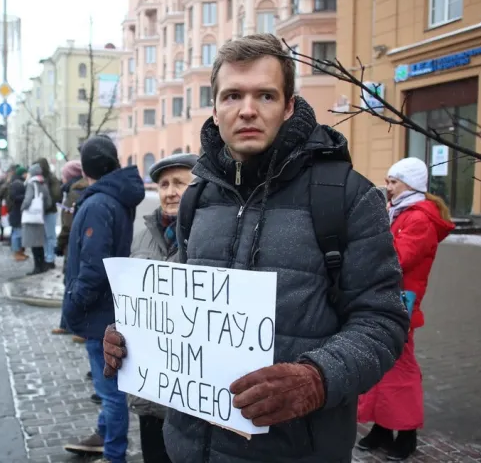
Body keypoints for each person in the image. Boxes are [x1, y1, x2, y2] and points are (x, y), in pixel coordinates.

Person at [101, 33, 409, 462]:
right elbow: (182, 309)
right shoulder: (198, 197)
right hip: (190, 449)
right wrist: (133, 336)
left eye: (265, 94)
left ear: (288, 105)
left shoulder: (347, 196)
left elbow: (383, 321)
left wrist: (316, 379)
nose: (247, 109)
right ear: (215, 107)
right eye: (232, 95)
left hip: (295, 451)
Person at [356, 157, 455, 460]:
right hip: (388, 296)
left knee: (401, 367)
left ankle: (407, 433)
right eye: (387, 180)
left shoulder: (419, 218)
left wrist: (369, 243)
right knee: (382, 362)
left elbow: (397, 258)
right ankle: (384, 428)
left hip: (402, 301)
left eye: (393, 182)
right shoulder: (398, 212)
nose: (387, 187)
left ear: (410, 185)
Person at [61, 135, 145, 463]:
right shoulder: (111, 197)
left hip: (99, 313)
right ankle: (102, 437)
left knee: (110, 394)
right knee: (108, 387)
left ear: (87, 167)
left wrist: (73, 304)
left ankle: (114, 455)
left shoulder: (98, 203)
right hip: (110, 306)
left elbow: (93, 268)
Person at [128, 152, 197, 463]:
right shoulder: (143, 237)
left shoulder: (215, 237)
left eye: (180, 183)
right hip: (152, 391)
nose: (169, 191)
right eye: (164, 184)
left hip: (196, 396)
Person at [52, 160, 89, 337]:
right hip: (78, 243)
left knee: (72, 283)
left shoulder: (74, 192)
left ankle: (74, 325)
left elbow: (68, 224)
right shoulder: (77, 189)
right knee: (73, 283)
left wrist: (60, 244)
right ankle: (68, 324)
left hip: (72, 244)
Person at [21, 163, 52, 275]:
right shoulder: (43, 183)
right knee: (39, 243)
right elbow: (48, 202)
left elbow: (28, 199)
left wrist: (23, 207)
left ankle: (37, 268)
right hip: (39, 217)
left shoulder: (31, 184)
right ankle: (42, 265)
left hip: (31, 217)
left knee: (33, 244)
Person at [35, 157, 63, 270]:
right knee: (45, 236)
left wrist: (46, 201)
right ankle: (48, 258)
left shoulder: (52, 179)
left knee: (50, 236)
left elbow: (56, 195)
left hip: (50, 211)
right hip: (43, 211)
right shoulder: (41, 178)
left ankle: (50, 259)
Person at [8, 166, 28, 261]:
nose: (27, 175)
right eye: (25, 173)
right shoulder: (17, 183)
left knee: (19, 233)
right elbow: (14, 197)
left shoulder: (19, 182)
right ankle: (17, 253)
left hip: (18, 212)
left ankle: (20, 252)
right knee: (17, 234)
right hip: (16, 213)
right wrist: (26, 197)